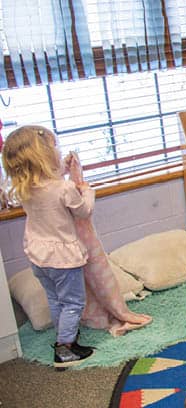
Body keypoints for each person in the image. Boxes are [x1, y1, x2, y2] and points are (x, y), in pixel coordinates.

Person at [1, 125, 95, 369]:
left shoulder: (25, 189)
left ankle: (64, 338)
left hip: (38, 256)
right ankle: (65, 348)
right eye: (53, 146)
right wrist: (87, 191)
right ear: (43, 155)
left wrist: (63, 167)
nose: (57, 149)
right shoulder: (64, 189)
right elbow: (83, 211)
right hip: (63, 257)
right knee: (73, 302)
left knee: (55, 300)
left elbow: (47, 182)